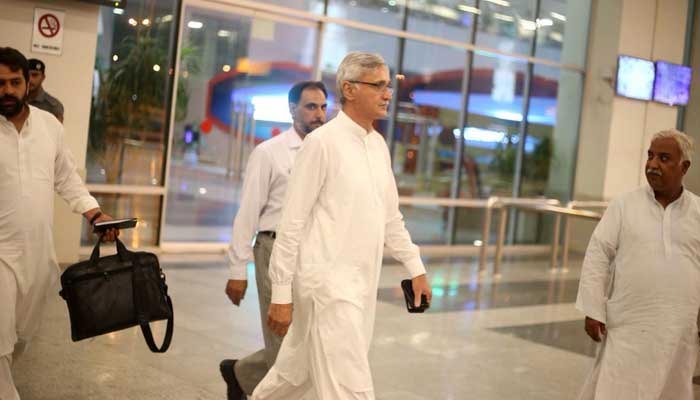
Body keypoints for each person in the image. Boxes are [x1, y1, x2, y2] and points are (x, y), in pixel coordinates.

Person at [251, 52, 433, 400]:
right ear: (349, 89)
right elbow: (292, 225)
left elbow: (390, 217)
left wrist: (415, 267)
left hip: (361, 286)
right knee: (352, 390)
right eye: (378, 85)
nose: (387, 94)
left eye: (388, 85)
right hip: (327, 290)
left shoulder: (377, 145)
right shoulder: (321, 144)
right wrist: (281, 294)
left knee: (292, 376)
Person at [0, 47, 117, 400]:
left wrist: (94, 213)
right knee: (0, 334)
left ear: (28, 82)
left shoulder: (49, 126)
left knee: (22, 334)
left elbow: (66, 178)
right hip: (1, 251)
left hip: (38, 252)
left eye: (14, 82)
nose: (6, 90)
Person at [219, 81, 328, 399]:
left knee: (303, 344)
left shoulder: (325, 152)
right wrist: (237, 271)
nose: (318, 115)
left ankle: (240, 373)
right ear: (292, 110)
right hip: (273, 249)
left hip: (312, 255)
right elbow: (248, 213)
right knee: (282, 342)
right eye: (310, 107)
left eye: (323, 107)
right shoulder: (270, 153)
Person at [575, 129, 700, 400]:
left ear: (684, 166)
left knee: (672, 387)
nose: (652, 164)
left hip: (679, 328)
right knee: (619, 387)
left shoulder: (698, 212)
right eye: (650, 156)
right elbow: (598, 253)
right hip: (628, 325)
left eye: (664, 158)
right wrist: (593, 308)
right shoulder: (624, 205)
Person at [26, 58, 64, 122]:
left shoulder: (53, 106)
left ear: (43, 77)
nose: (30, 79)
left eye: (35, 75)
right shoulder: (16, 101)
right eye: (27, 75)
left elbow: (56, 131)